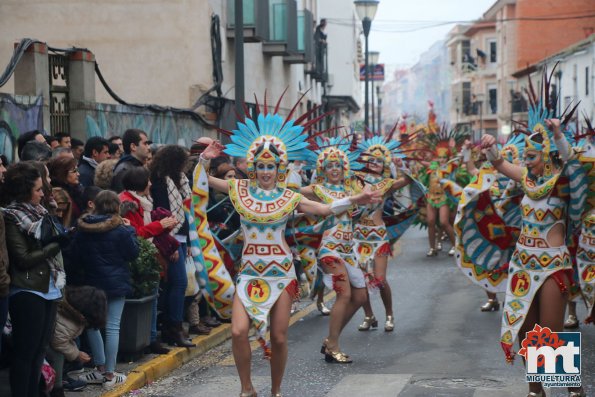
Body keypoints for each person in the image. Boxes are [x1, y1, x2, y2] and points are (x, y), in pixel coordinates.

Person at [202, 108, 379, 397]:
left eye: (271, 167)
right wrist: (203, 158)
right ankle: (247, 389)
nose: (266, 172)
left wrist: (355, 198)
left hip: (281, 275)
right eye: (261, 166)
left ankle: (275, 391)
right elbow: (204, 181)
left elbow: (324, 209)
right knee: (237, 332)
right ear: (254, 167)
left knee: (280, 338)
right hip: (249, 274)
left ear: (279, 169)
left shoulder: (289, 196)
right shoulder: (239, 189)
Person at [482, 113, 586, 397]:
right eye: (525, 156)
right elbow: (500, 163)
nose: (526, 161)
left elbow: (573, 167)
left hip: (553, 264)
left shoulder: (563, 184)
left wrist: (559, 136)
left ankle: (573, 388)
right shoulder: (527, 179)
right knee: (526, 331)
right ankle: (535, 391)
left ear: (546, 156)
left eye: (531, 156)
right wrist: (490, 146)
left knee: (549, 333)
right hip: (523, 264)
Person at [299, 137, 369, 363]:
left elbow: (375, 192)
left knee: (360, 296)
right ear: (323, 169)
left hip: (350, 249)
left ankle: (331, 339)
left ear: (344, 167)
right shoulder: (317, 189)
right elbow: (289, 192)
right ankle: (334, 344)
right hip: (330, 249)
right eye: (329, 166)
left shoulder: (352, 187)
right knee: (344, 294)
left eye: (338, 165)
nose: (334, 169)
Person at [2, 162, 67, 397]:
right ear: (24, 190)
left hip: (48, 285)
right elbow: (23, 258)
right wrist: (55, 246)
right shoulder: (12, 216)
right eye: (38, 189)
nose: (42, 193)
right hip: (28, 289)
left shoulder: (39, 212)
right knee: (25, 353)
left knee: (40, 352)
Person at [71, 190, 139, 389]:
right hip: (117, 283)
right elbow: (132, 254)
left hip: (92, 282)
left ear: (96, 206)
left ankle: (99, 368)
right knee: (112, 327)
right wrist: (131, 231)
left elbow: (75, 254)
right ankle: (110, 374)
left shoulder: (84, 228)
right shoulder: (121, 230)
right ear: (117, 206)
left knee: (93, 325)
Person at [354, 136, 413, 333]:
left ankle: (389, 314)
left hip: (378, 236)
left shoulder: (387, 183)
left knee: (380, 279)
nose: (375, 163)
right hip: (359, 236)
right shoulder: (356, 181)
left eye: (379, 160)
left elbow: (406, 180)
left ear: (385, 163)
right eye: (371, 160)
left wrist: (401, 164)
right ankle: (369, 315)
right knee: (361, 280)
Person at [119, 166, 178, 354]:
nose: (151, 184)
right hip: (138, 257)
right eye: (148, 181)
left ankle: (151, 337)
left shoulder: (141, 201)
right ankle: (150, 338)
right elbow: (136, 233)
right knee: (150, 299)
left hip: (147, 253)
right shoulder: (129, 203)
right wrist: (159, 225)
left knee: (153, 298)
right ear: (140, 184)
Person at [149, 145, 195, 348]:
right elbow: (163, 213)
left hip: (183, 236)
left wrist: (190, 241)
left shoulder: (181, 180)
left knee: (174, 284)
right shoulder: (160, 181)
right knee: (179, 283)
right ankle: (173, 328)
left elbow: (185, 211)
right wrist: (172, 245)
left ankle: (171, 327)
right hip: (170, 238)